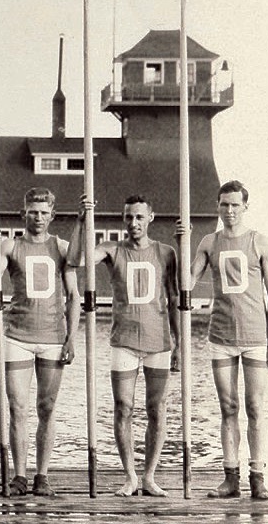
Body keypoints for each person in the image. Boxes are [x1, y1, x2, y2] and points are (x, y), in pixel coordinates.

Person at [68, 194, 179, 498]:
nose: (133, 223)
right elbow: (76, 260)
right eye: (128, 217)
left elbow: (174, 299)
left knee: (157, 408)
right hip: (124, 342)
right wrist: (81, 222)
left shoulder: (165, 252)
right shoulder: (112, 250)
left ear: (150, 218)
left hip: (158, 342)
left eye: (139, 217)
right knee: (123, 407)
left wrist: (179, 344)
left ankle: (150, 476)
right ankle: (130, 477)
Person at [0, 187, 80, 497]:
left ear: (52, 215)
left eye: (44, 212)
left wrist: (71, 338)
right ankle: (19, 476)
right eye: (33, 212)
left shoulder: (60, 247)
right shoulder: (10, 246)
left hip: (53, 337)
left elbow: (74, 296)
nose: (38, 217)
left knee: (46, 407)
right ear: (24, 213)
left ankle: (42, 476)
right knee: (17, 407)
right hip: (17, 336)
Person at [182, 180, 268, 500]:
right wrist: (183, 241)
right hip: (221, 336)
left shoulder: (259, 242)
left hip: (255, 337)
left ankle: (258, 478)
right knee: (228, 406)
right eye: (224, 204)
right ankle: (230, 478)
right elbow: (188, 282)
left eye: (235, 204)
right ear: (218, 206)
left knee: (255, 407)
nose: (229, 210)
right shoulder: (209, 242)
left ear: (245, 207)